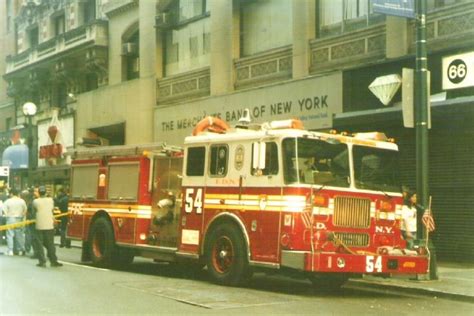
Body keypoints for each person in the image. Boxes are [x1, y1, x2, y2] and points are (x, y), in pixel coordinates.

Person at [32, 186, 62, 267]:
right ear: (45, 192)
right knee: (50, 244)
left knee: (39, 244)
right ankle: (53, 260)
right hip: (49, 224)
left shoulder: (35, 201)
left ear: (39, 192)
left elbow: (34, 211)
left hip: (39, 224)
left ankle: (42, 261)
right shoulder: (50, 200)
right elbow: (52, 210)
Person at [2, 188, 27, 256]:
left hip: (10, 218)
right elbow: (25, 210)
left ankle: (10, 250)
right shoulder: (22, 201)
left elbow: (4, 211)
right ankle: (20, 250)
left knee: (10, 234)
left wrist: (7, 215)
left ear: (11, 193)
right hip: (19, 219)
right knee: (19, 235)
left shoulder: (8, 201)